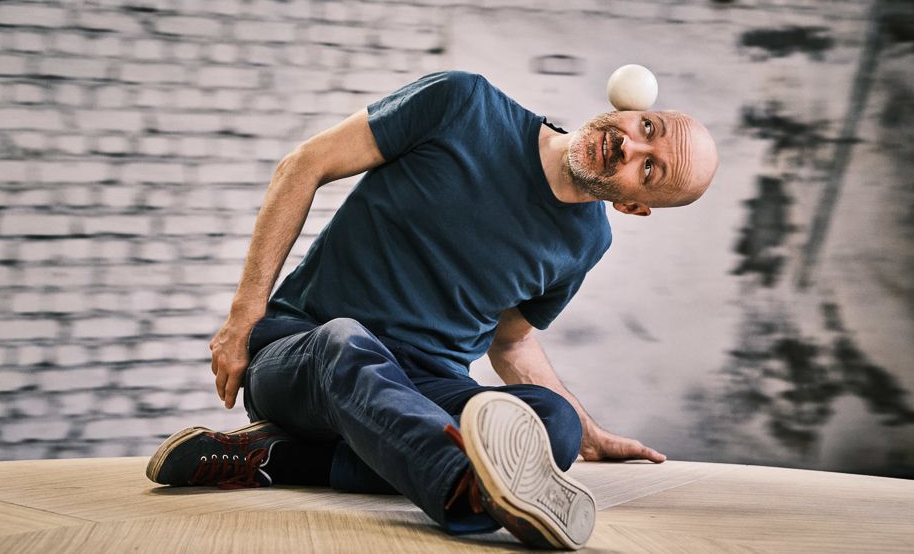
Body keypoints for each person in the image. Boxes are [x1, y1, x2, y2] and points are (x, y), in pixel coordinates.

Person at [146, 70, 718, 550]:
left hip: (423, 388)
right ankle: (464, 493)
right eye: (648, 128)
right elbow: (304, 164)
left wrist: (589, 431)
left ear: (633, 205)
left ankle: (286, 459)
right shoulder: (463, 102)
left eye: (649, 168)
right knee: (346, 343)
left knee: (554, 427)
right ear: (635, 110)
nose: (632, 145)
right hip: (305, 349)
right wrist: (244, 315)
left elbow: (510, 341)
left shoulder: (586, 241)